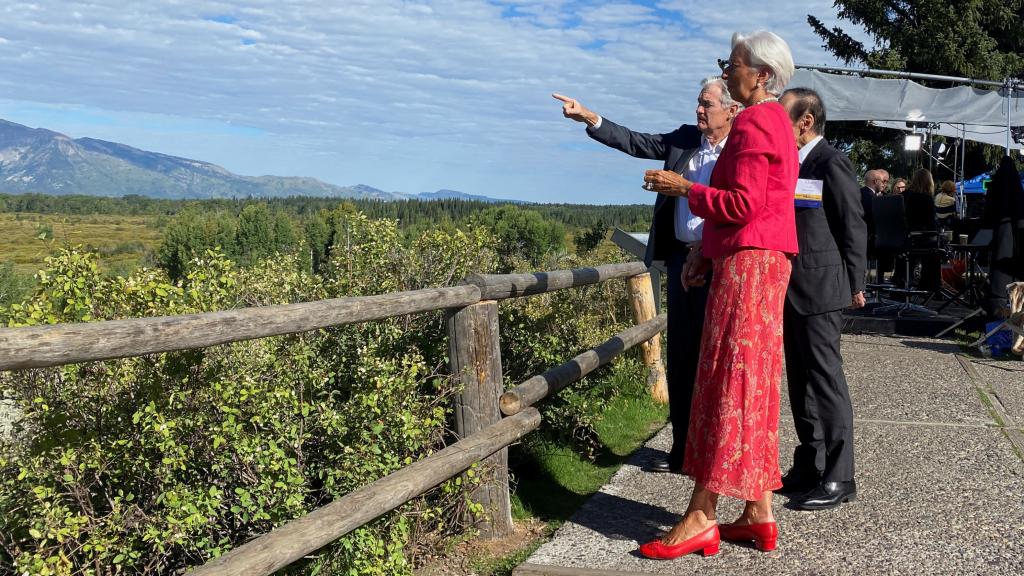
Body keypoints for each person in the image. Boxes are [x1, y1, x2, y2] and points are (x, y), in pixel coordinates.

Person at [636, 30, 798, 559]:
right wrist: (705, 250)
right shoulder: (777, 123)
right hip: (760, 259)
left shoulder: (754, 121)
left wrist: (686, 189)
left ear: (762, 76)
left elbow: (744, 203)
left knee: (726, 381)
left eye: (734, 65)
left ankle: (702, 515)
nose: (727, 72)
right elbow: (764, 203)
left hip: (750, 266)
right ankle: (757, 511)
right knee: (751, 380)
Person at [552, 78, 739, 475]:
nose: (698, 111)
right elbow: (637, 142)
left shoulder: (741, 148)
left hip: (723, 266)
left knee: (721, 360)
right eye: (698, 103)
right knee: (683, 356)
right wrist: (589, 116)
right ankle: (683, 448)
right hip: (680, 263)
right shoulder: (685, 139)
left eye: (706, 104)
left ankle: (717, 451)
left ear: (731, 110)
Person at [776, 87, 865, 511]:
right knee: (800, 383)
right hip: (789, 289)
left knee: (826, 383)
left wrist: (855, 282)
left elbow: (853, 223)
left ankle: (839, 475)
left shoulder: (831, 161)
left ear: (805, 120)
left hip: (822, 287)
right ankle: (809, 465)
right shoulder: (789, 164)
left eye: (782, 117)